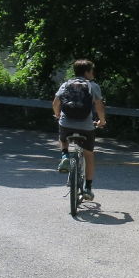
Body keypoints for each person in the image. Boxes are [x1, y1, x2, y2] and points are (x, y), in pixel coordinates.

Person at [52, 59, 106, 201]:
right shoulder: (92, 86)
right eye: (91, 70)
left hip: (66, 123)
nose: (93, 73)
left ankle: (64, 156)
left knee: (63, 139)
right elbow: (99, 107)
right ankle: (88, 188)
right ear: (87, 72)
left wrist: (58, 115)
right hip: (86, 126)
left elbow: (56, 103)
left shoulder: (66, 84)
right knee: (89, 155)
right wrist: (102, 121)